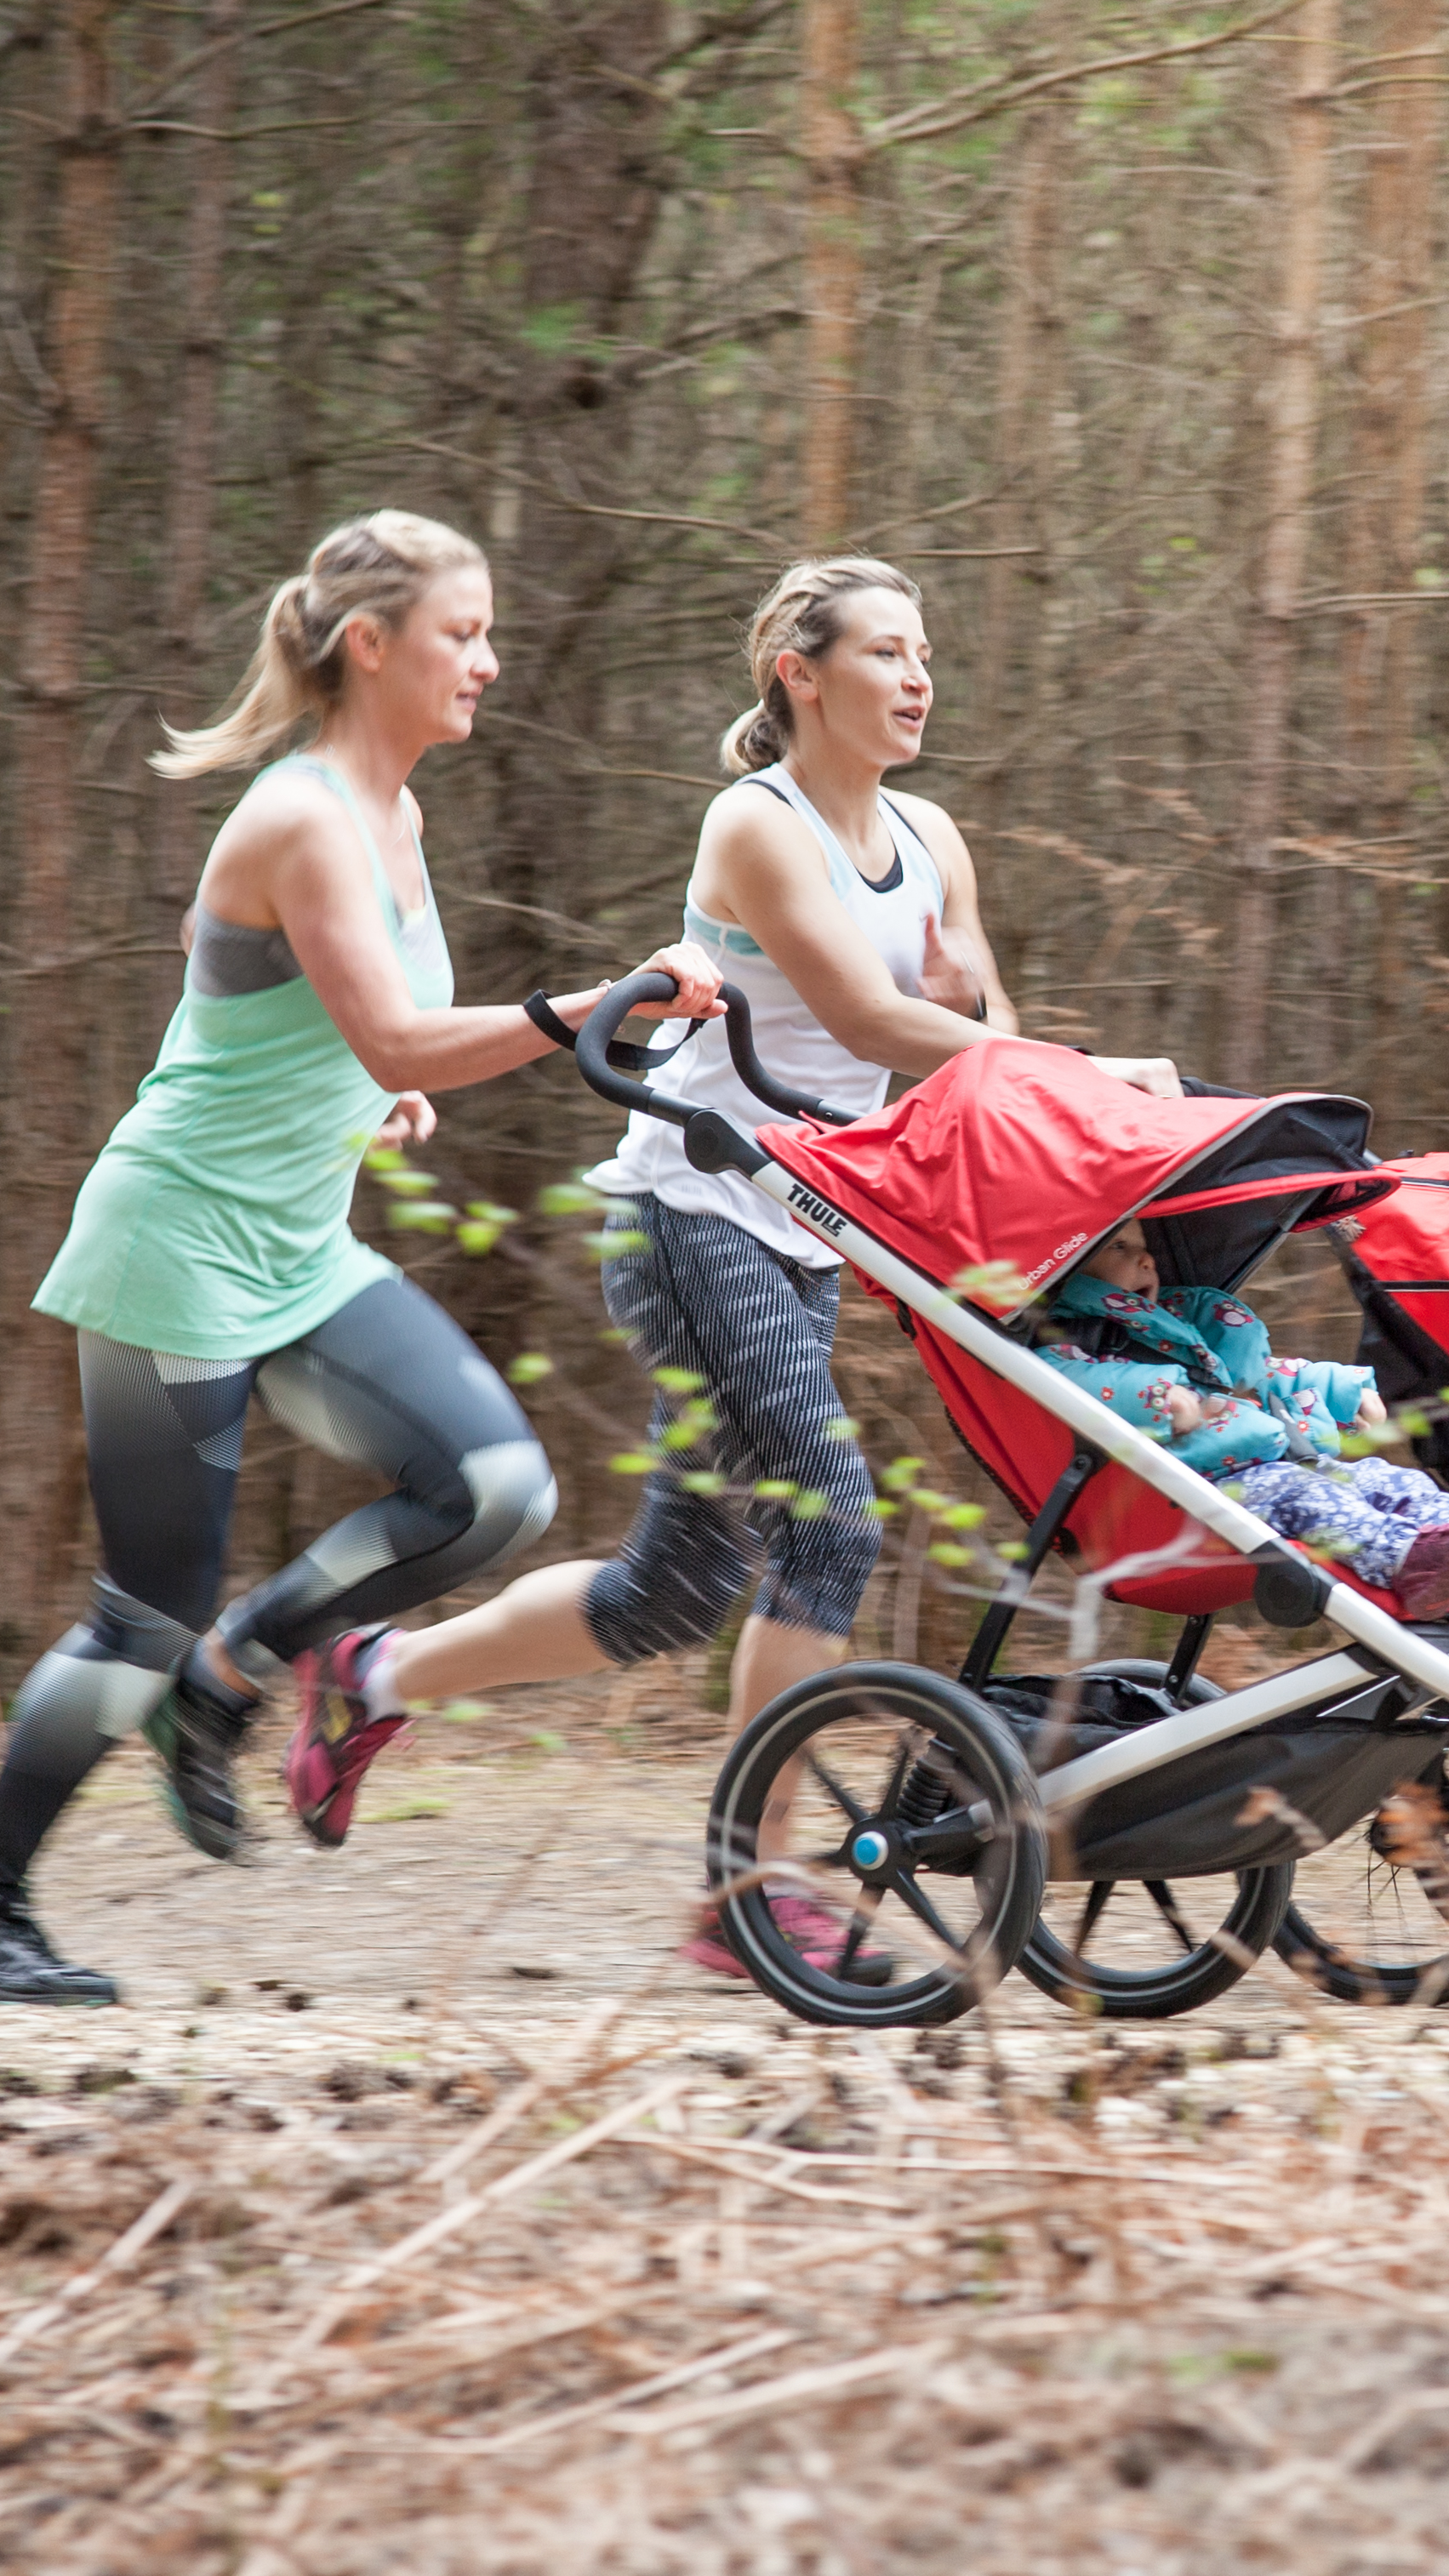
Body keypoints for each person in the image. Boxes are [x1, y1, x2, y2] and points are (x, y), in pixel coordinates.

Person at [271, 556, 1184, 1980]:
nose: (920, 675)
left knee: (670, 1594)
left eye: (926, 651)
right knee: (830, 1521)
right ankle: (747, 1890)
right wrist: (1056, 1058)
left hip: (809, 1222)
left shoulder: (935, 834)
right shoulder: (753, 824)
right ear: (800, 675)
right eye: (887, 651)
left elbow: (967, 1007)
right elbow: (861, 1011)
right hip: (693, 1214)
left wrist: (1032, 1066)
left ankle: (365, 1674)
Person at [0, 511, 727, 2009]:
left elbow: (311, 1012)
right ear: (371, 645)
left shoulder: (392, 817)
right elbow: (401, 1024)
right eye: (462, 632)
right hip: (175, 1256)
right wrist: (596, 1001)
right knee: (138, 1611)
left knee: (495, 1490)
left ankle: (231, 1678)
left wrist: (370, 1086)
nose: (488, 658)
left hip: (297, 1249)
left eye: (486, 632)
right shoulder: (299, 815)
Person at [1036, 1222, 1449, 1619]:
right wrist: (1162, 1397)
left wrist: (1340, 1391)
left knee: (1396, 1480)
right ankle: (1410, 1564)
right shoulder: (1065, 1352)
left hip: (1273, 1466)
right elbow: (1091, 1391)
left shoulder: (1179, 1331)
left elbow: (1261, 1377)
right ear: (1066, 1268)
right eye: (1117, 1246)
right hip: (1190, 1500)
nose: (1145, 1257)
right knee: (1309, 1494)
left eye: (1142, 1244)